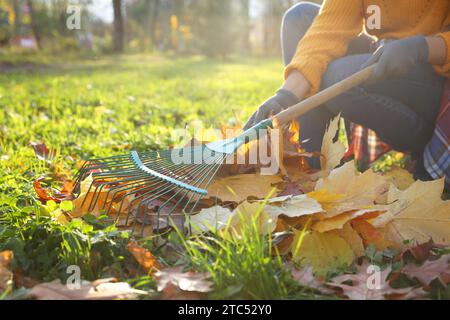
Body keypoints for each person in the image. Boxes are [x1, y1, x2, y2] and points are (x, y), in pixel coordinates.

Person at [244, 0, 449, 190]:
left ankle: (424, 141)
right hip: (384, 54)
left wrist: (423, 47)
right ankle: (314, 165)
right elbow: (327, 31)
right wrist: (286, 95)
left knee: (335, 76)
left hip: (434, 73)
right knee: (300, 17)